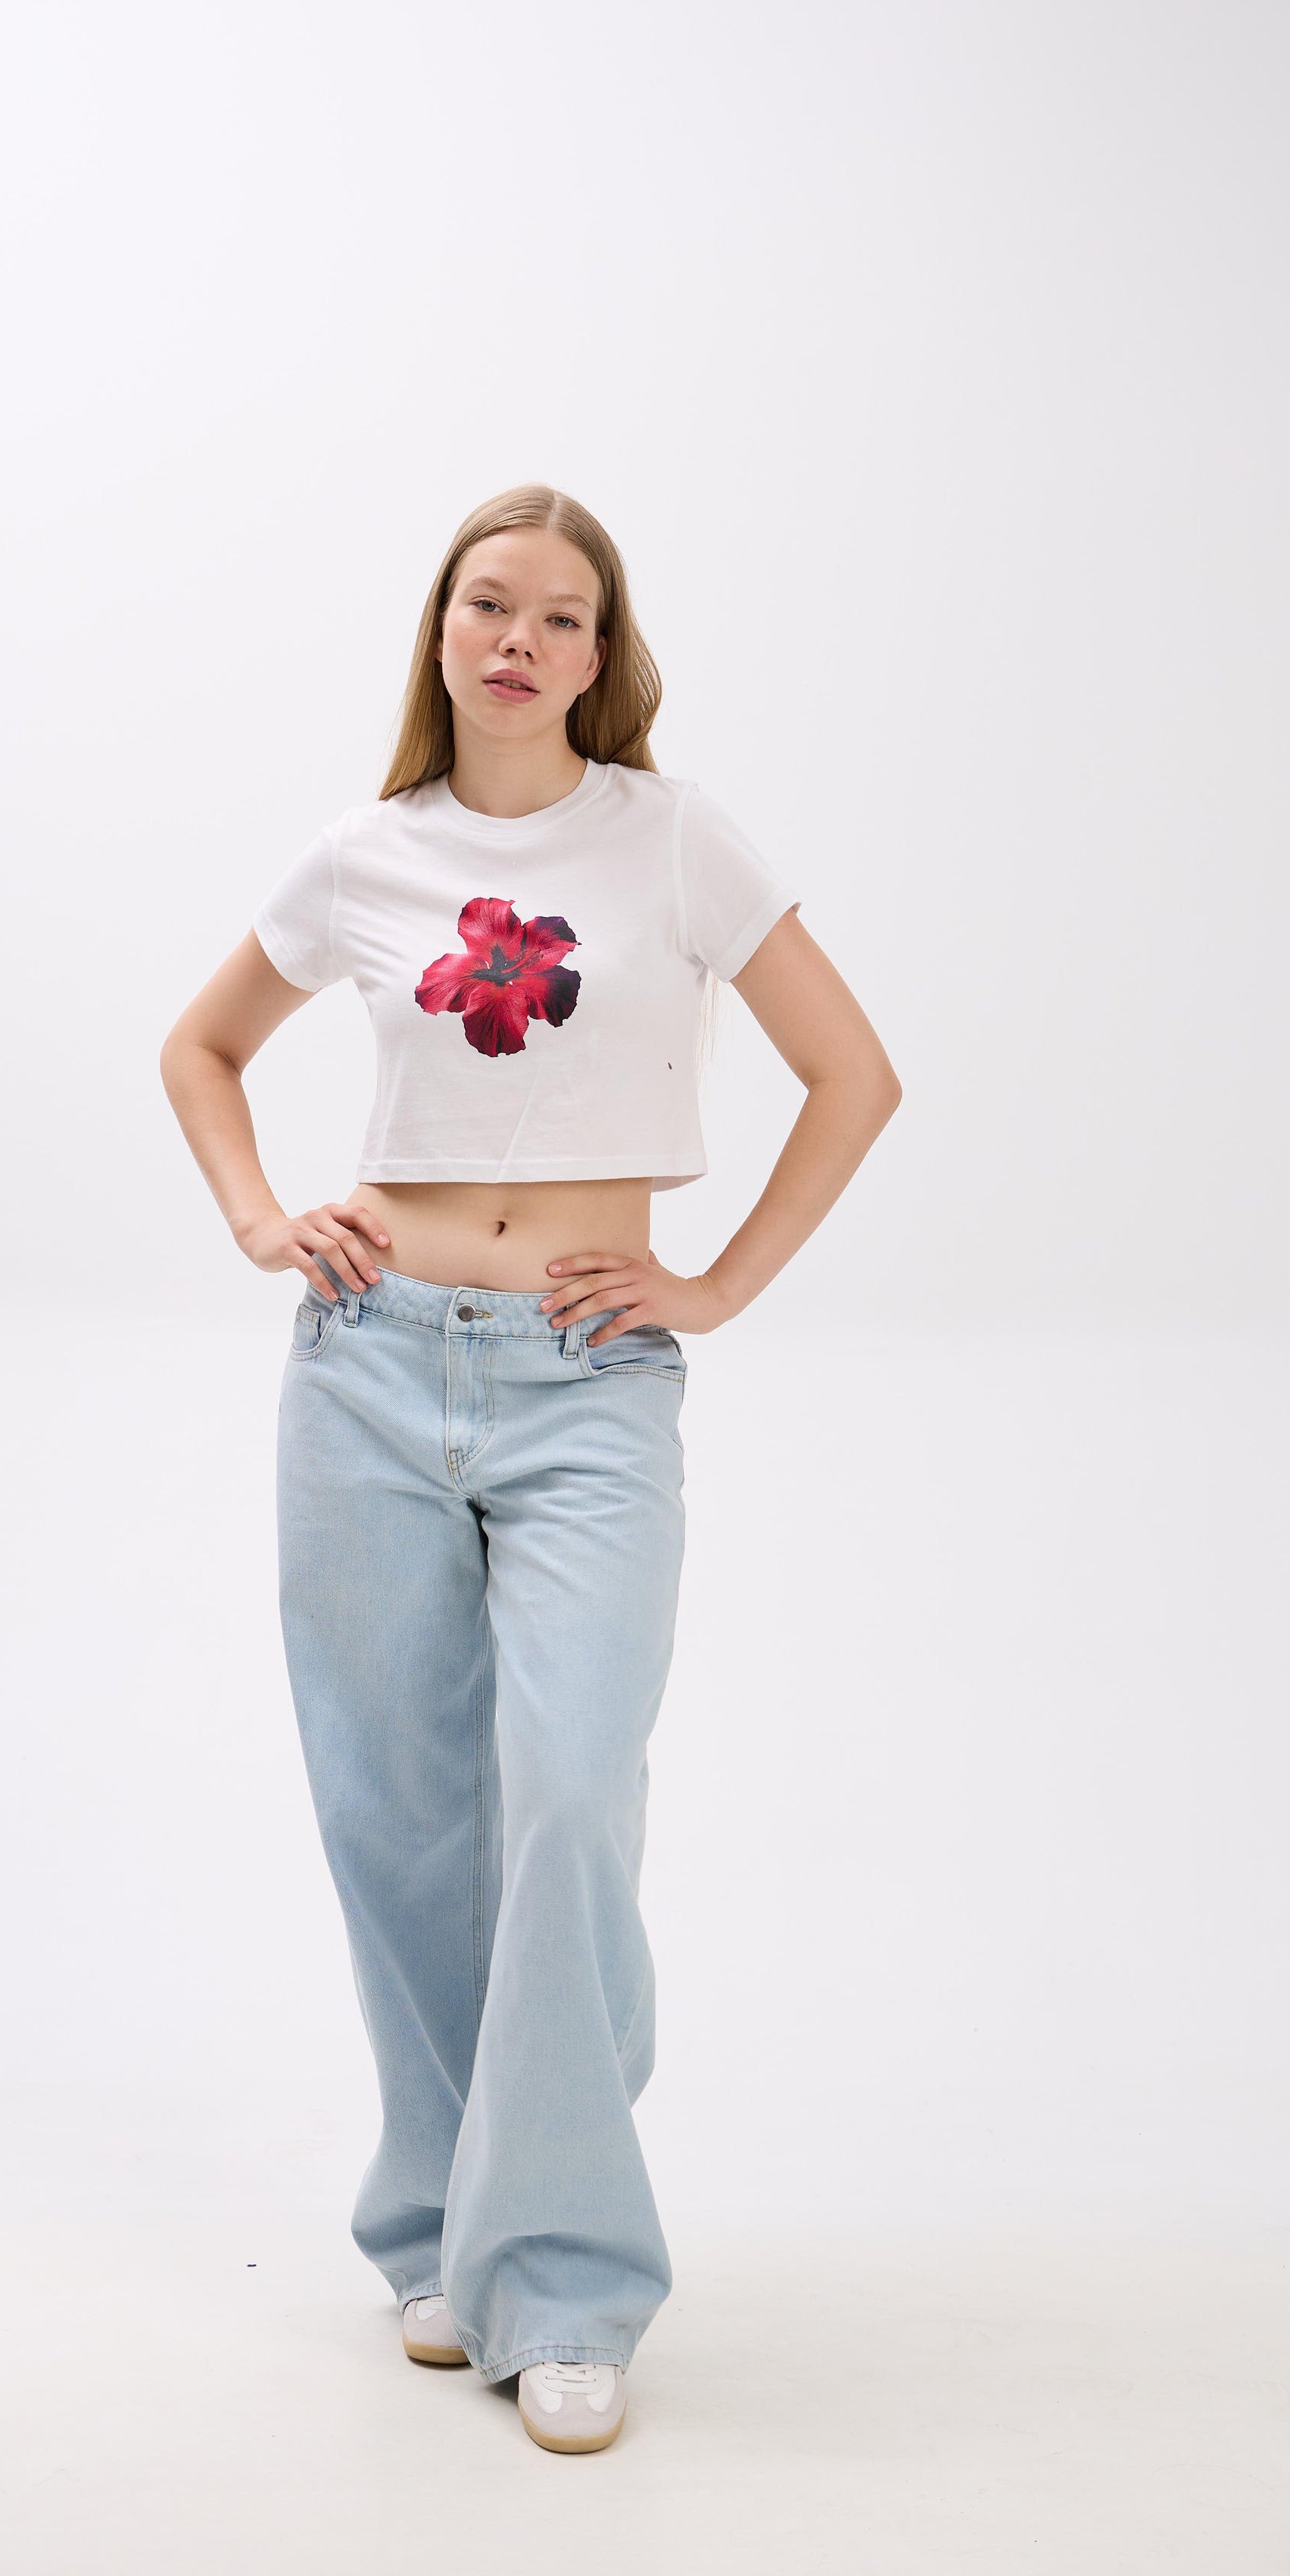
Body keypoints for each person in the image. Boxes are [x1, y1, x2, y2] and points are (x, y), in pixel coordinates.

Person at [160, 484, 900, 2455]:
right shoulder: (365, 854)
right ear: (441, 629)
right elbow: (199, 1051)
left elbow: (857, 1075)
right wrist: (260, 1220)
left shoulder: (672, 837)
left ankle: (562, 2272)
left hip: (588, 1381)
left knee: (568, 1799)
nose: (518, 639)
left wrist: (716, 1287)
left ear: (601, 654)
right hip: (371, 1366)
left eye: (561, 617)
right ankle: (433, 2227)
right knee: (399, 1815)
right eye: (489, 603)